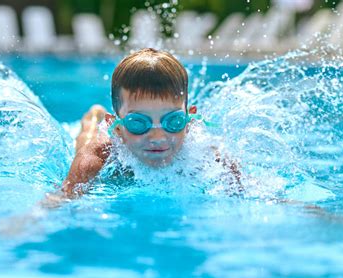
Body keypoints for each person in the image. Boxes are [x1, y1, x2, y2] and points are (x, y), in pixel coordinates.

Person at [60, 48, 241, 198]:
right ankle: (93, 116)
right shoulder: (99, 155)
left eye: (173, 121)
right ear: (117, 128)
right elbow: (60, 200)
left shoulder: (207, 154)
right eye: (138, 123)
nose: (157, 137)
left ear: (188, 121)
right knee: (86, 138)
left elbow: (246, 194)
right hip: (101, 140)